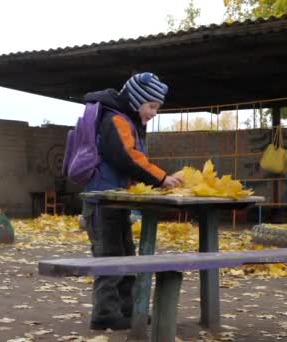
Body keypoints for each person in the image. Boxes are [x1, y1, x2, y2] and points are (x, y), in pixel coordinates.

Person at [82, 72, 182, 330]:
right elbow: (127, 158)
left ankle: (127, 309)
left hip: (116, 202)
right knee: (109, 256)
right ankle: (105, 312)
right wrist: (161, 179)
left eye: (157, 108)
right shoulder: (116, 119)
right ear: (137, 99)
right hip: (101, 202)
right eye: (152, 106)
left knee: (126, 254)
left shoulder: (127, 121)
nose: (154, 113)